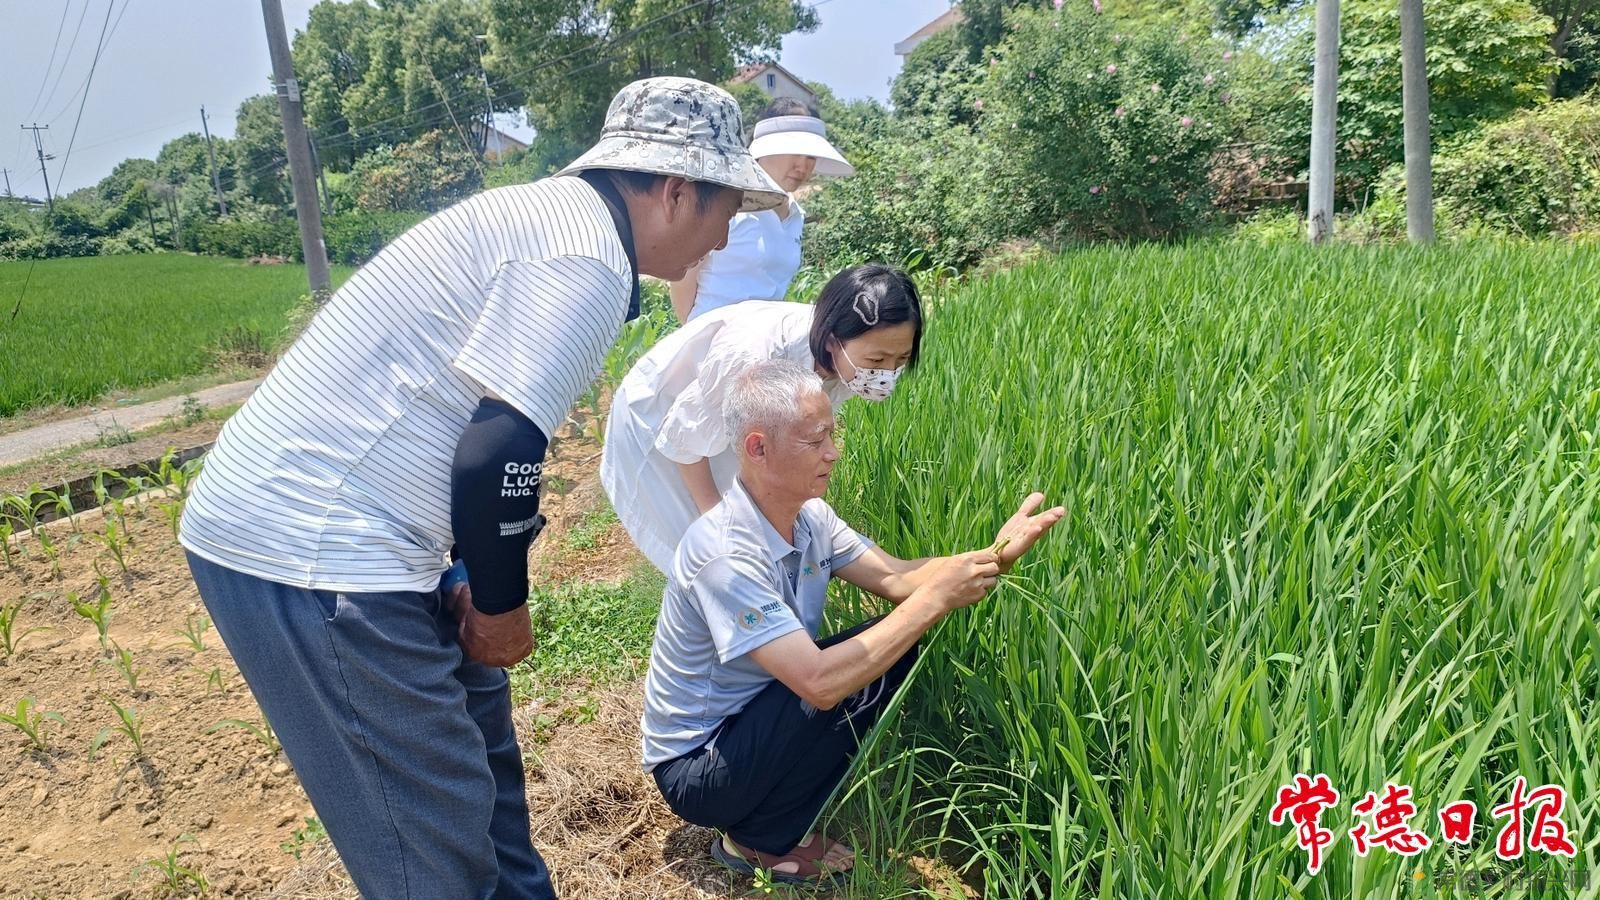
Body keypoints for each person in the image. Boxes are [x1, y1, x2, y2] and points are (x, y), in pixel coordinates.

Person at [178, 77, 785, 900]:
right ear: (678, 190)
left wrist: (467, 570)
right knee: (428, 841)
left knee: (483, 781)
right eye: (725, 215)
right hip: (316, 551)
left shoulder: (551, 220)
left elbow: (468, 426)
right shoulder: (585, 258)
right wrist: (501, 608)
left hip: (373, 531)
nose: (718, 243)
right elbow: (499, 449)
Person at [641, 359, 1066, 885]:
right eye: (815, 440)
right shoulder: (725, 554)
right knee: (859, 663)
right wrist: (932, 603)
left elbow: (897, 579)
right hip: (698, 766)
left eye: (832, 435)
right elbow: (818, 683)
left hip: (754, 716)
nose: (832, 453)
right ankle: (755, 841)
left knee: (888, 650)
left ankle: (765, 819)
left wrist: (995, 555)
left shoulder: (809, 517)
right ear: (757, 448)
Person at [601, 264, 922, 574]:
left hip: (726, 427)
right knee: (709, 560)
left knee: (754, 541)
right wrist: (716, 522)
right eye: (877, 360)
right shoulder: (753, 358)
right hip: (659, 426)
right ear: (832, 340)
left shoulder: (845, 361)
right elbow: (684, 440)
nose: (886, 374)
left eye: (901, 360)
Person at [669, 97, 854, 322]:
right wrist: (694, 335)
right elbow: (683, 278)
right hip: (711, 339)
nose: (803, 166)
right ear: (765, 148)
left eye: (811, 156)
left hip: (764, 344)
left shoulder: (795, 215)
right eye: (794, 150)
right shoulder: (727, 204)